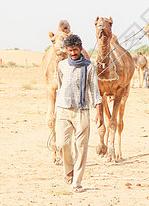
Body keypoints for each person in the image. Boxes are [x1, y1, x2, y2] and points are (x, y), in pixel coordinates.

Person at [55, 34, 103, 193]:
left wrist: (99, 113)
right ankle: (69, 169)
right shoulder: (61, 65)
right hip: (63, 109)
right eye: (70, 50)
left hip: (82, 110)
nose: (73, 53)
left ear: (80, 48)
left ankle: (77, 182)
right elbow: (60, 86)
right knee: (62, 144)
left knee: (81, 147)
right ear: (67, 50)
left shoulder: (89, 67)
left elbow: (95, 91)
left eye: (76, 50)